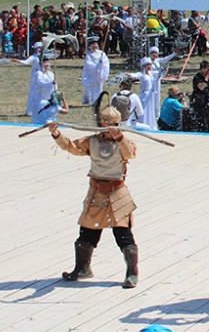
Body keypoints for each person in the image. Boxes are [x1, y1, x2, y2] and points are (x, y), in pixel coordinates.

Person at [47, 93, 139, 288]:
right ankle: (82, 268)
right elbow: (72, 147)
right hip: (96, 191)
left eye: (113, 126)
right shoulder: (92, 141)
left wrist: (120, 138)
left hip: (117, 192)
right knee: (87, 232)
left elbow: (129, 154)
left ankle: (132, 273)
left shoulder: (126, 143)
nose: (109, 130)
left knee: (123, 234)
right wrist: (57, 134)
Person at [32, 56, 69, 124]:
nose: (46, 64)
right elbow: (40, 85)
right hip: (41, 97)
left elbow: (55, 86)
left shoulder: (51, 74)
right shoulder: (39, 73)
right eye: (44, 62)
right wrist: (50, 84)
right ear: (40, 64)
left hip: (50, 97)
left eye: (47, 62)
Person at [13, 40, 43, 116]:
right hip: (36, 75)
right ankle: (31, 110)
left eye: (40, 48)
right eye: (38, 48)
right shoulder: (33, 57)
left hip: (43, 75)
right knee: (34, 92)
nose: (39, 50)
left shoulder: (43, 57)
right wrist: (18, 61)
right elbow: (26, 62)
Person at [190, 60, 209, 132]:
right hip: (198, 101)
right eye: (208, 69)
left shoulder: (208, 78)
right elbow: (201, 87)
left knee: (207, 120)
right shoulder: (197, 77)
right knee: (201, 120)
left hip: (206, 101)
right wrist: (207, 77)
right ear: (203, 69)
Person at [148, 45, 177, 117]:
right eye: (153, 53)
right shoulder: (147, 61)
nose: (154, 54)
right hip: (150, 81)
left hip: (157, 81)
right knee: (151, 96)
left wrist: (174, 54)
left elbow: (166, 59)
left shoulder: (158, 61)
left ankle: (157, 112)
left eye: (155, 53)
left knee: (157, 96)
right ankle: (150, 112)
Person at [81, 36, 110, 105]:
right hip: (91, 75)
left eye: (96, 45)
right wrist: (97, 66)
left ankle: (98, 101)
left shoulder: (102, 53)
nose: (95, 46)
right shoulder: (88, 54)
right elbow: (88, 64)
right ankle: (89, 100)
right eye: (93, 45)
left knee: (99, 87)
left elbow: (106, 64)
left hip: (99, 74)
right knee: (90, 87)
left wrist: (102, 64)